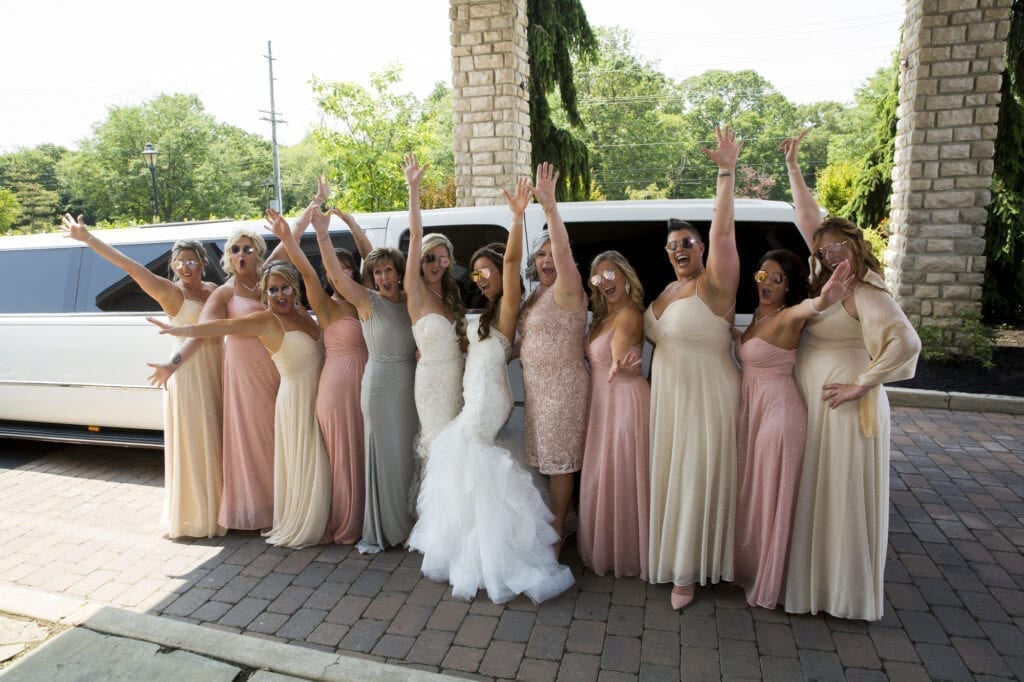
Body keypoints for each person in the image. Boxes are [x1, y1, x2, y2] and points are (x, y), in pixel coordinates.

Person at [408, 176, 575, 604]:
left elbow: (515, 258)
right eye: (477, 272)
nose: (481, 277)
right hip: (477, 398)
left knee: (470, 461)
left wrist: (517, 218)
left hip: (487, 404)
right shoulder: (483, 314)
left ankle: (493, 558)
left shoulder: (507, 305)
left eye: (489, 270)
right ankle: (479, 553)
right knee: (467, 472)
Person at [780, 130, 921, 620]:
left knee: (839, 498)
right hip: (825, 409)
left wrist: (864, 381)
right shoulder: (828, 280)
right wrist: (794, 168)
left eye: (840, 246)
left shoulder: (864, 289)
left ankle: (841, 595)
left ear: (856, 247)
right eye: (824, 248)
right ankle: (820, 587)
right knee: (822, 496)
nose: (830, 252)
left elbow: (906, 342)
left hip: (846, 409)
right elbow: (807, 219)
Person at [150, 255, 331, 548]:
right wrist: (182, 332)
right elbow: (219, 327)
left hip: (317, 397)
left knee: (316, 461)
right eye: (272, 290)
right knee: (303, 458)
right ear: (264, 294)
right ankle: (302, 519)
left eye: (285, 288)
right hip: (295, 400)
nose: (279, 295)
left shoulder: (305, 317)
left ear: (295, 290)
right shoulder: (263, 319)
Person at [63, 214, 224, 540]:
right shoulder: (169, 292)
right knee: (196, 444)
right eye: (179, 263)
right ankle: (196, 517)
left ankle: (223, 509)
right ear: (173, 267)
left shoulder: (214, 291)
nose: (185, 267)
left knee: (218, 442)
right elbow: (132, 268)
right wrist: (89, 239)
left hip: (217, 371)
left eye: (191, 260)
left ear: (203, 263)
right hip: (188, 375)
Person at [644, 126, 743, 610]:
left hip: (706, 399)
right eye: (671, 246)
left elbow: (725, 230)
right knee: (673, 475)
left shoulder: (715, 286)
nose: (678, 249)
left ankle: (688, 571)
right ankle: (672, 554)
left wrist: (725, 172)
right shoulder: (664, 291)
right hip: (669, 402)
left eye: (686, 242)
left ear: (701, 247)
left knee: (692, 476)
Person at [732, 250, 853, 609]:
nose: (766, 283)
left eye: (776, 278)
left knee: (772, 497)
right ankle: (756, 566)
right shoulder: (759, 314)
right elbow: (757, 346)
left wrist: (822, 301)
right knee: (757, 493)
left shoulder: (788, 316)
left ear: (788, 286)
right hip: (756, 413)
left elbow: (806, 311)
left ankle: (775, 579)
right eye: (761, 276)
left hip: (779, 417)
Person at [268, 204, 369, 544]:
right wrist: (293, 236)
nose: (341, 275)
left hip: (368, 385)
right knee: (343, 456)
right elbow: (308, 275)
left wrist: (353, 224)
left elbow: (377, 261)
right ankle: (345, 523)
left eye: (347, 269)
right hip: (338, 387)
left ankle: (369, 517)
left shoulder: (366, 301)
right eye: (334, 270)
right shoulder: (326, 306)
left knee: (364, 452)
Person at [321, 219, 418, 554]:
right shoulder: (367, 301)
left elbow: (370, 252)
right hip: (379, 386)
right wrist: (322, 231)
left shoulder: (411, 300)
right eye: (376, 273)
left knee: (409, 454)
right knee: (387, 456)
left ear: (399, 271)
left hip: (411, 385)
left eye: (388, 270)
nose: (383, 278)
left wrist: (353, 224)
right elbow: (335, 276)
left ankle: (411, 521)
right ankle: (390, 528)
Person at [517, 162, 590, 552]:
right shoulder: (538, 294)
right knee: (549, 462)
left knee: (560, 463)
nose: (547, 259)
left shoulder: (568, 289)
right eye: (540, 254)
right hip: (539, 393)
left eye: (553, 254)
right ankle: (566, 520)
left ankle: (559, 532)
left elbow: (562, 251)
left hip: (563, 392)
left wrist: (550, 209)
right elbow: (524, 341)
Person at [578, 251, 650, 579]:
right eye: (597, 278)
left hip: (624, 402)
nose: (605, 282)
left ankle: (629, 551)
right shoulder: (603, 315)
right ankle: (608, 546)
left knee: (620, 473)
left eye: (610, 275)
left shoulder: (629, 314)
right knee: (604, 474)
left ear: (624, 276)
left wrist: (620, 359)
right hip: (603, 402)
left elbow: (619, 349)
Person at [402, 154, 466, 513]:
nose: (436, 264)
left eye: (444, 258)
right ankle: (436, 515)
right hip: (430, 384)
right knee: (438, 444)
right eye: (431, 257)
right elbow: (413, 235)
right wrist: (414, 189)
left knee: (455, 445)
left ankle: (453, 511)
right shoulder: (415, 289)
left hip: (454, 377)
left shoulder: (449, 295)